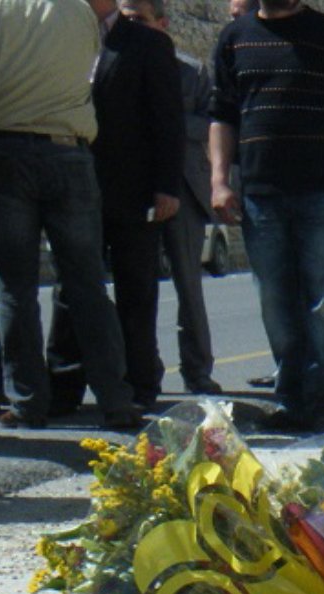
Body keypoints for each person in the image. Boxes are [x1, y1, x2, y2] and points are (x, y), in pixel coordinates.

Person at [0, 0, 139, 428]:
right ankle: (115, 399)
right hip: (69, 150)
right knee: (87, 284)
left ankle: (27, 402)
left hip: (2, 152)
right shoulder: (78, 11)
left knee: (14, 288)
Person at [208, 0, 324, 431]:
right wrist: (219, 181)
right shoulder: (234, 39)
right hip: (261, 194)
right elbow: (221, 115)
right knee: (276, 304)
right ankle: (292, 401)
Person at [46, 0, 182, 414]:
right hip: (72, 184)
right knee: (70, 287)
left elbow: (167, 118)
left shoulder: (146, 43)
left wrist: (166, 186)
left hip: (131, 189)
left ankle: (139, 384)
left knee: (135, 288)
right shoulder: (59, 36)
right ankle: (63, 385)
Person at [124, 0, 219, 396]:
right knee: (137, 286)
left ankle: (197, 371)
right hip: (134, 189)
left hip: (183, 187)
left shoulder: (191, 71)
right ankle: (143, 372)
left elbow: (212, 122)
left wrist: (167, 122)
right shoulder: (115, 63)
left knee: (188, 285)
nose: (132, 26)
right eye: (126, 19)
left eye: (139, 19)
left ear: (161, 23)